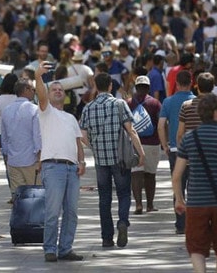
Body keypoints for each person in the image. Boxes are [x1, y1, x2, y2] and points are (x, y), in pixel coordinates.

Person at [172, 94, 217, 273]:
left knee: (196, 246)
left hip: (197, 202)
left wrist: (179, 199)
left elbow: (176, 175)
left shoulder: (189, 138)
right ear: (215, 112)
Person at [80, 72, 144, 249]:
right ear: (110, 86)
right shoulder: (119, 104)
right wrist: (141, 152)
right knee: (124, 193)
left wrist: (95, 145)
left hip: (101, 160)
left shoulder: (88, 108)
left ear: (96, 86)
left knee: (104, 198)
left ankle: (106, 238)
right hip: (121, 158)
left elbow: (83, 136)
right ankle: (122, 221)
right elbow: (131, 131)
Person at [34, 61, 86, 262]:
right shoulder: (45, 111)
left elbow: (78, 143)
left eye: (60, 89)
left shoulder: (71, 118)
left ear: (65, 95)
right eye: (53, 89)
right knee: (53, 212)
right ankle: (49, 249)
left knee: (71, 213)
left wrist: (81, 162)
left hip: (72, 169)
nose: (57, 91)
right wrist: (39, 77)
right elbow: (40, 93)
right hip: (53, 166)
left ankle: (65, 248)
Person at [158, 70, 196, 234]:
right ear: (192, 83)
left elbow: (161, 125)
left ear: (177, 84)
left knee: (178, 185)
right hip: (195, 150)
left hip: (175, 150)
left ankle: (181, 224)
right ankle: (195, 222)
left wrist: (164, 144)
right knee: (194, 186)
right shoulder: (196, 101)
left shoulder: (168, 102)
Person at [0, 78, 41, 198]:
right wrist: (40, 159)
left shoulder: (6, 110)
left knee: (18, 198)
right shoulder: (34, 110)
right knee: (34, 197)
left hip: (13, 161)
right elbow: (37, 136)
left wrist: (7, 157)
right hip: (31, 160)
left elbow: (4, 137)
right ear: (26, 89)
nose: (34, 92)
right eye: (33, 89)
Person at [127, 75, 162, 214]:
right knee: (150, 174)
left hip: (134, 143)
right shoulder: (155, 103)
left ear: (136, 87)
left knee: (135, 173)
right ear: (148, 88)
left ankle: (138, 205)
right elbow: (160, 123)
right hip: (152, 143)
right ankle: (150, 204)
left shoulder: (128, 103)